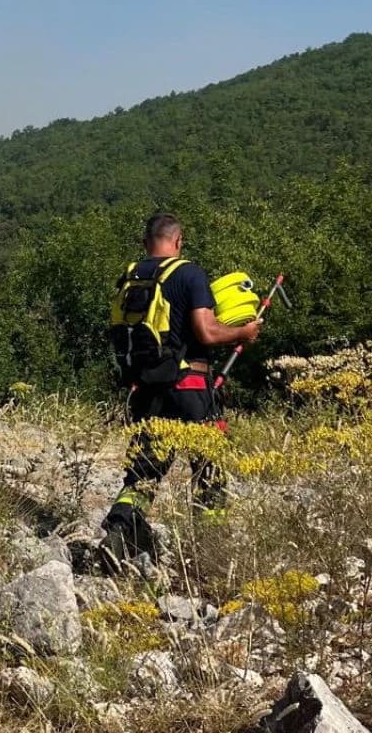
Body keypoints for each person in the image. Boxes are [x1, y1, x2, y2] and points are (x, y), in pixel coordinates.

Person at [99, 212, 262, 572]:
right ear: (179, 240)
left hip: (144, 391)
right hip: (191, 390)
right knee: (209, 470)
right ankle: (212, 551)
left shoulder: (131, 277)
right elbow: (206, 333)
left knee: (143, 472)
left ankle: (119, 532)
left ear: (146, 243)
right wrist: (243, 334)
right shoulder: (189, 274)